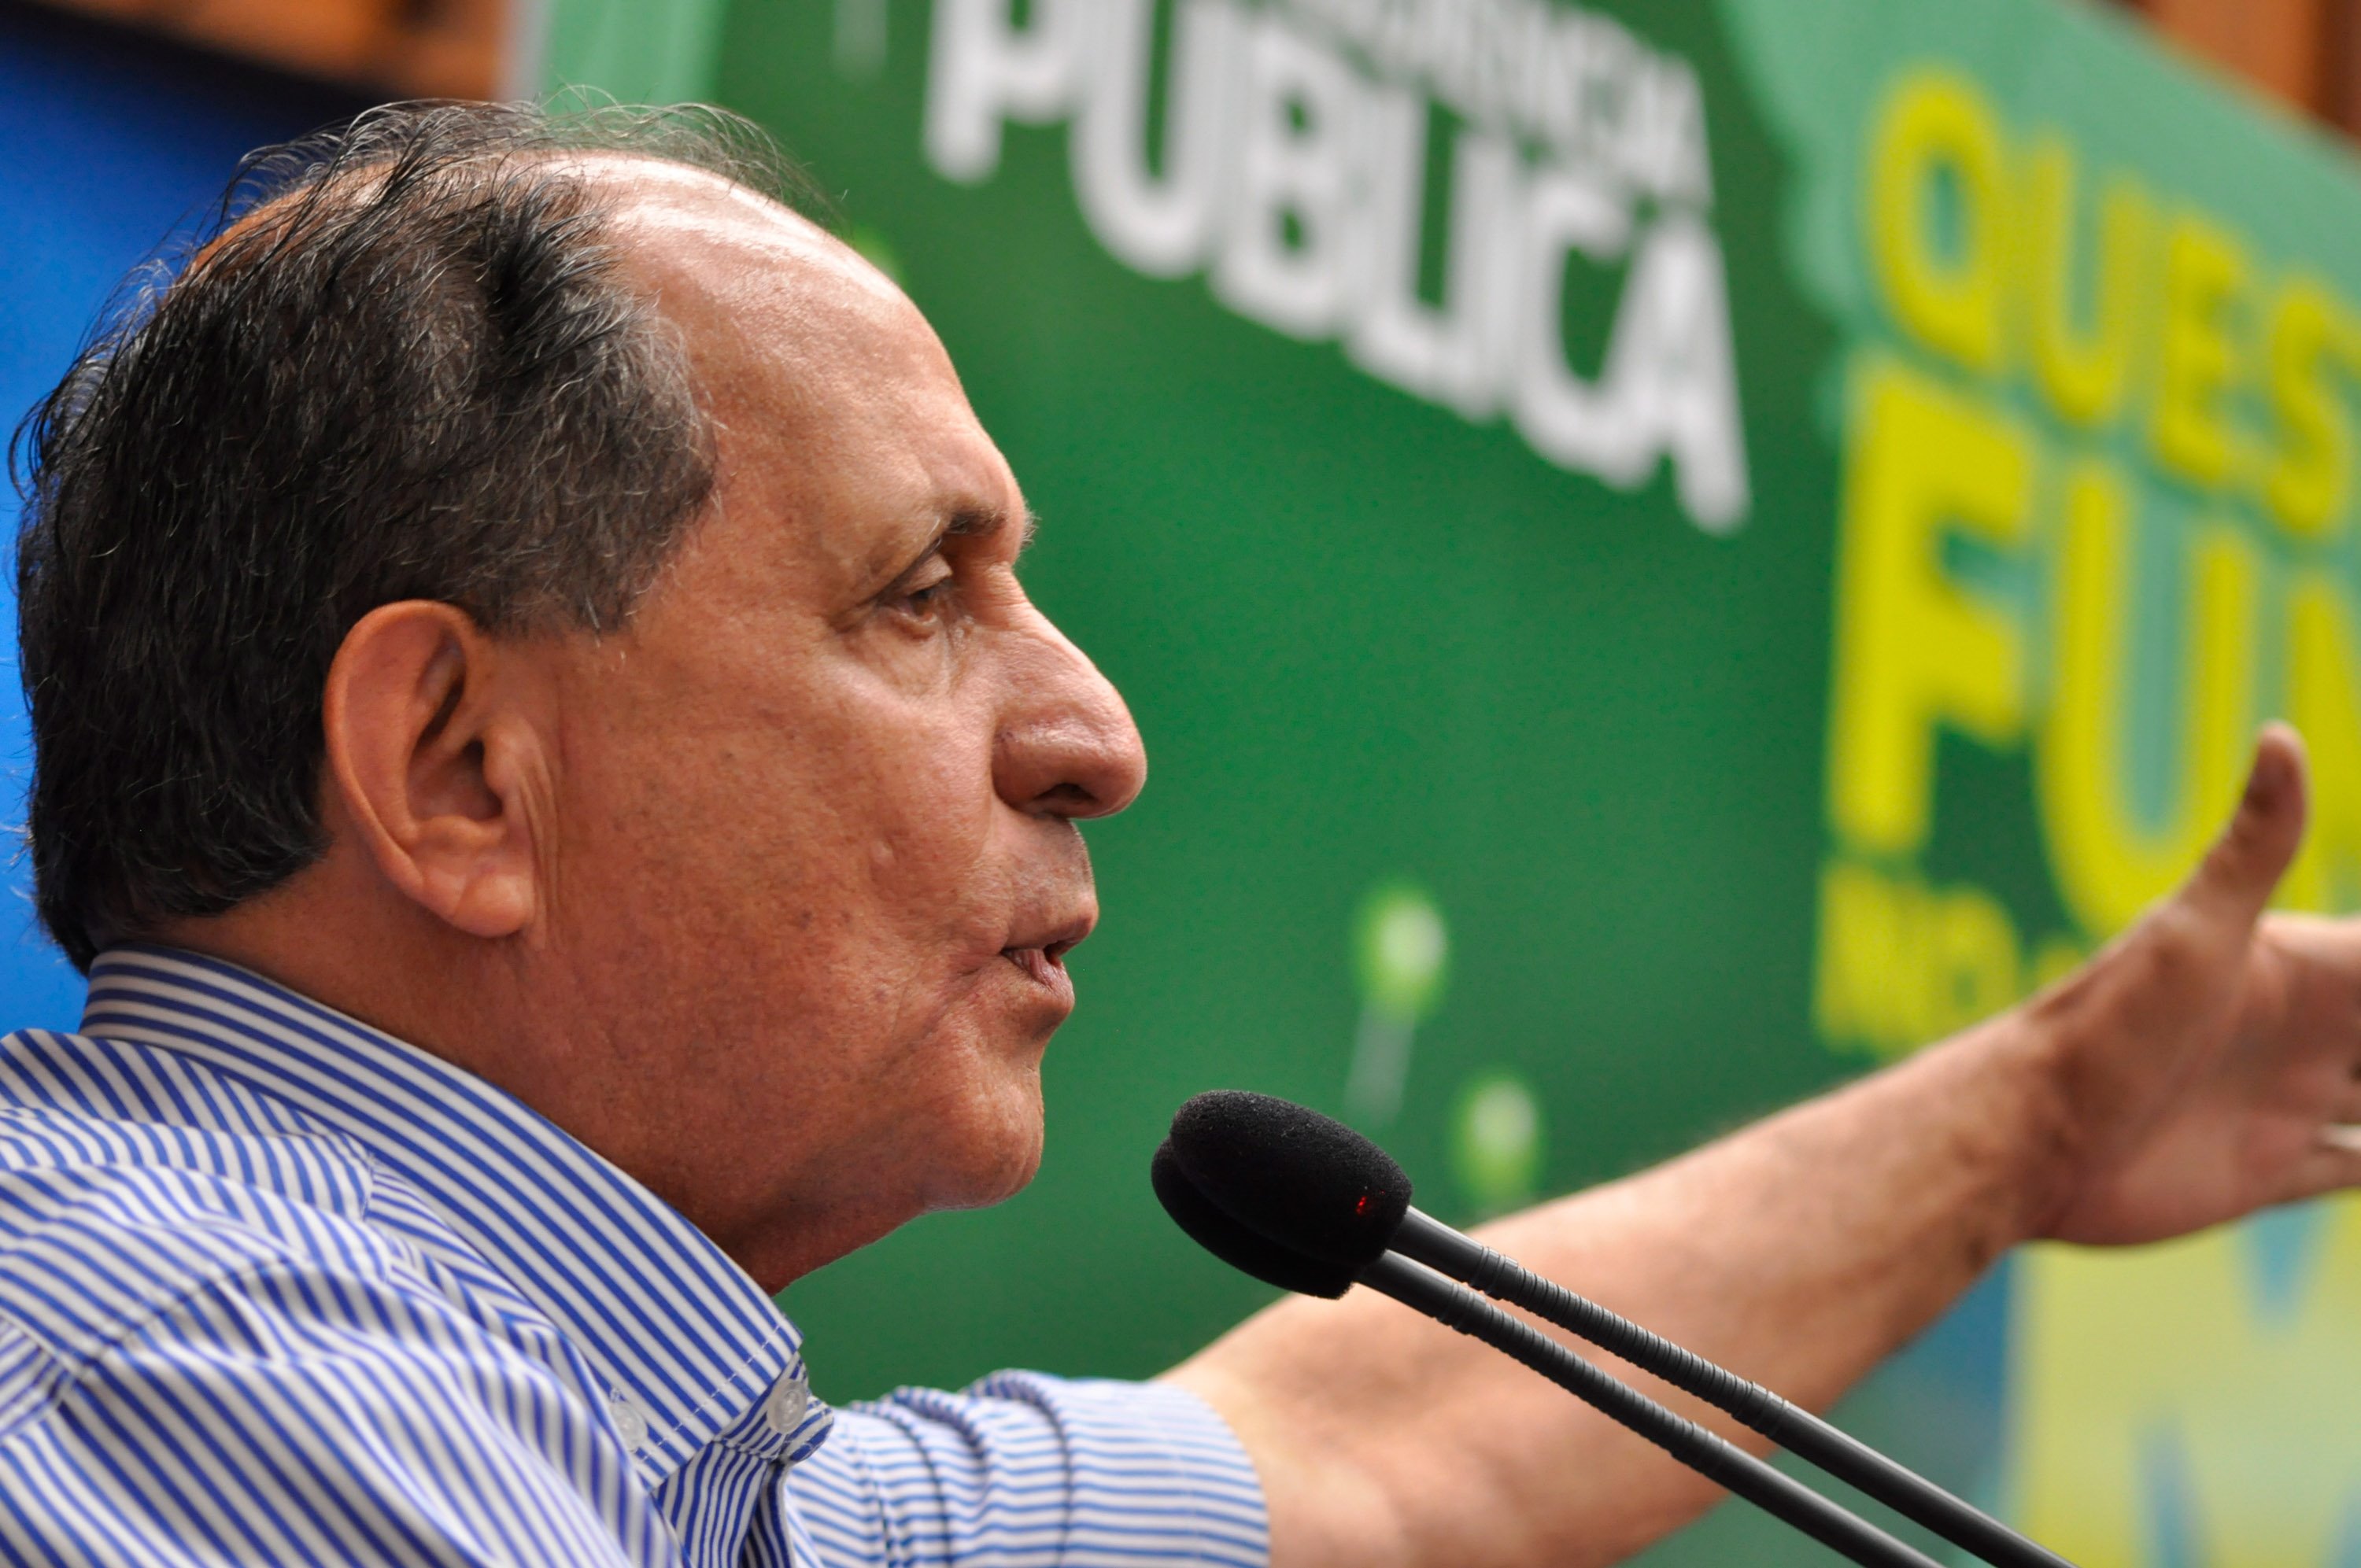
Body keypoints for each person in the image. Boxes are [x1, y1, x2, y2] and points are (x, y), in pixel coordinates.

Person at [3, 101, 2356, 1568]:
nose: (1095, 733)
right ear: (456, 769)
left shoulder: (623, 1451)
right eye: (917, 596)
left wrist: (2040, 1114)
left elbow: (1380, 1462)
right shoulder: (191, 1386)